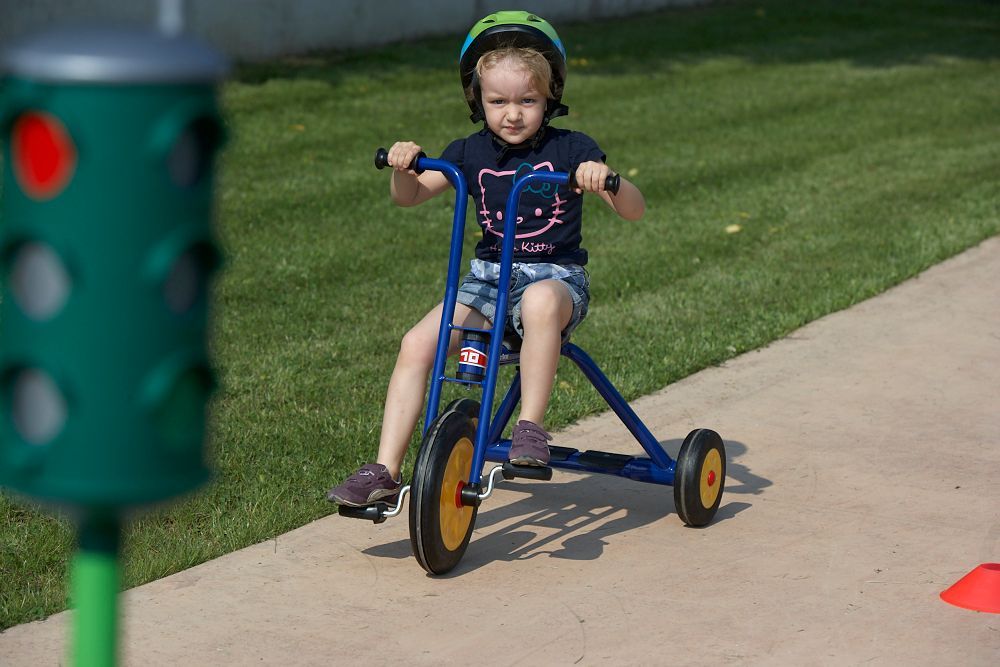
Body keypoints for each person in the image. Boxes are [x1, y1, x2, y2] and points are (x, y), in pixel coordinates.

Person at [327, 10, 645, 507]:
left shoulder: (572, 149)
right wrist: (402, 165)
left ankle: (531, 430)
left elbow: (634, 211)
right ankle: (383, 469)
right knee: (416, 343)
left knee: (540, 303)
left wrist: (606, 179)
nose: (512, 114)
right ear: (477, 99)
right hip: (487, 283)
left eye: (527, 100)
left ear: (550, 97)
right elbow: (408, 197)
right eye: (498, 101)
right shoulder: (469, 152)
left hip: (557, 280)